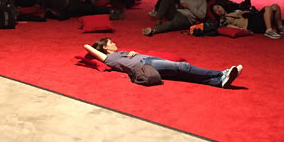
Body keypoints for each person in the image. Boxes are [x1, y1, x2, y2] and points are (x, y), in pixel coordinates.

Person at [85, 38, 242, 89]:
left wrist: (131, 52)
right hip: (146, 64)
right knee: (183, 67)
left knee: (182, 74)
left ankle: (218, 82)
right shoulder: (108, 58)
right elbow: (88, 48)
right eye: (110, 43)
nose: (114, 43)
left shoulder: (119, 53)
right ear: (105, 48)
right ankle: (221, 74)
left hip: (147, 59)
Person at [142, 0, 207, 36]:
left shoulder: (202, 1)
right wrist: (178, 6)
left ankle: (154, 30)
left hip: (186, 18)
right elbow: (175, 6)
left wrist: (189, 7)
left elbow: (201, 15)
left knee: (171, 24)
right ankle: (158, 20)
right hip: (176, 12)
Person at [212, 3, 284, 39]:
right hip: (250, 24)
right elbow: (229, 27)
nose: (218, 10)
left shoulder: (231, 10)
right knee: (267, 8)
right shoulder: (223, 19)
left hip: (252, 18)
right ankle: (269, 30)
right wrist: (243, 30)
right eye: (216, 11)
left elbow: (244, 12)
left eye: (218, 7)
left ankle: (281, 27)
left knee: (275, 6)